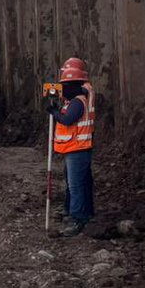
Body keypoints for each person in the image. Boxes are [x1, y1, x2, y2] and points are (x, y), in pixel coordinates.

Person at [48, 56, 95, 237]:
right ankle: (76, 212)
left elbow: (68, 120)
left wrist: (54, 112)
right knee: (77, 183)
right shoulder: (76, 99)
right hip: (75, 148)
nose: (61, 89)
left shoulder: (77, 101)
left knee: (75, 185)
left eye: (64, 86)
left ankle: (77, 218)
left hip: (78, 149)